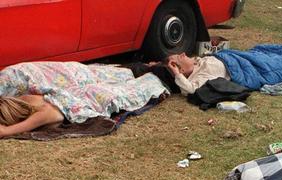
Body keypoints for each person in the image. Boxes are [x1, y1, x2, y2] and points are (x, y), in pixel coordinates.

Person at [0, 61, 168, 137]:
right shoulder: (29, 105)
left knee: (122, 85)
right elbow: (53, 113)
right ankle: (157, 71)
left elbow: (53, 113)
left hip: (83, 95)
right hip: (86, 95)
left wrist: (8, 131)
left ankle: (156, 71)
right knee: (128, 86)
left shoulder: (34, 107)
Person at [166, 52, 230, 96]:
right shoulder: (199, 76)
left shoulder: (196, 63)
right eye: (180, 57)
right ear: (182, 70)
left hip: (224, 55)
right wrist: (177, 73)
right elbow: (191, 90)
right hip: (231, 64)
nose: (183, 53)